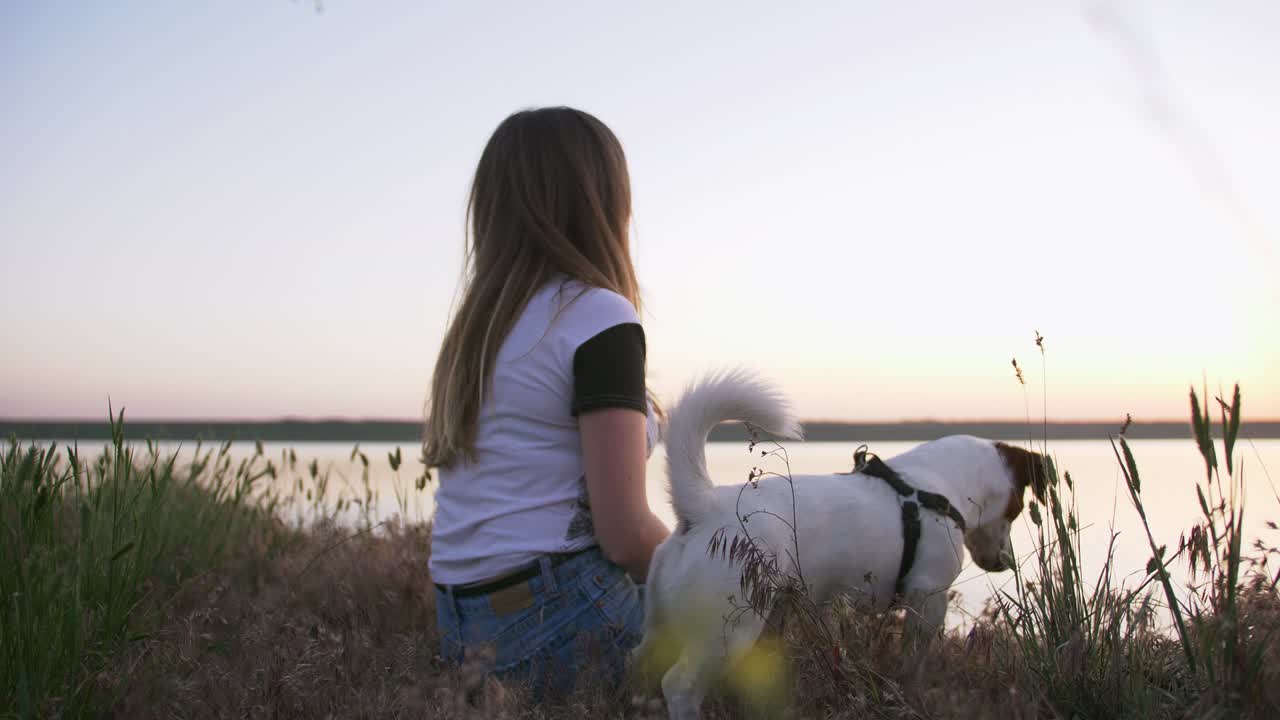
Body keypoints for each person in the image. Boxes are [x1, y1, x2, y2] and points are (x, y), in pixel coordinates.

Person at [423, 107, 671, 699]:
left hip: (462, 626)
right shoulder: (597, 315)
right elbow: (627, 535)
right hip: (556, 616)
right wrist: (717, 570)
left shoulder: (481, 328)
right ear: (602, 201)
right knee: (742, 630)